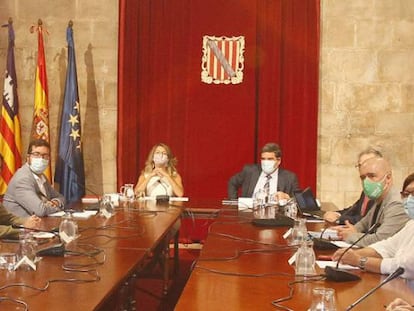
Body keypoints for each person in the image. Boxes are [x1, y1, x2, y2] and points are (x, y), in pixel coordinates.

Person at [332, 173, 414, 280]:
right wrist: (350, 254)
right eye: (406, 194)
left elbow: (405, 266)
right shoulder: (411, 224)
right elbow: (387, 246)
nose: (409, 199)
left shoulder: (394, 203)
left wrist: (360, 261)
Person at [333, 157, 409, 247]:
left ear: (388, 178)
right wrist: (346, 231)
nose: (366, 182)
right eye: (363, 178)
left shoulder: (397, 203)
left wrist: (351, 236)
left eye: (372, 176)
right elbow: (361, 226)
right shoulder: (379, 200)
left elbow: (380, 240)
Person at [3, 139, 65, 217]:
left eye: (45, 155)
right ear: (28, 157)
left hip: (39, 223)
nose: (41, 159)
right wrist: (55, 207)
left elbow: (61, 197)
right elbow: (40, 211)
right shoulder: (22, 179)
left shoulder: (42, 176)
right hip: (20, 226)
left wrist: (55, 202)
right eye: (36, 154)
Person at [323, 147, 382, 224]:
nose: (363, 168)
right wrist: (336, 214)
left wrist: (339, 219)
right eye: (360, 165)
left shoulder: (378, 189)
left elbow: (367, 220)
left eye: (367, 164)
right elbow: (354, 209)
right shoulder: (366, 188)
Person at [227, 142, 300, 201]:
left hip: (275, 217)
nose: (266, 162)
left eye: (270, 159)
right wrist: (234, 203)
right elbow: (232, 182)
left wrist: (287, 197)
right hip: (249, 214)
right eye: (263, 159)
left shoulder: (289, 177)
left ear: (278, 161)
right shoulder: (249, 171)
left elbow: (298, 200)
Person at [0, 155, 42, 238]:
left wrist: (27, 221)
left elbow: (8, 218)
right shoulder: (22, 178)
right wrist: (23, 231)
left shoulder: (41, 176)